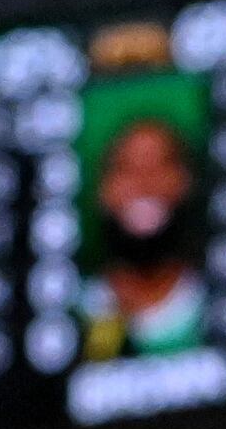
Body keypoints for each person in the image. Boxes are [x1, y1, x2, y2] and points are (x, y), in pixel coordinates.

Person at [78, 115, 206, 357]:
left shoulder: (219, 307)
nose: (143, 183)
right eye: (126, 168)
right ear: (101, 191)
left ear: (187, 183)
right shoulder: (70, 312)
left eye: (161, 165)